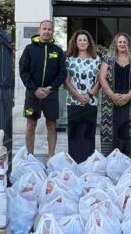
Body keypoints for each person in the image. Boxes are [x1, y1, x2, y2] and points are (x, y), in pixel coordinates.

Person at [19, 19, 66, 155]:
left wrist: (50, 88)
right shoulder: (29, 49)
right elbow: (23, 70)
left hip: (51, 94)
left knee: (51, 125)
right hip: (32, 94)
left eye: (49, 29)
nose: (46, 31)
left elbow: (62, 73)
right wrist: (35, 89)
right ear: (39, 31)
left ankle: (51, 156)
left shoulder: (57, 51)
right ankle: (30, 156)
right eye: (44, 29)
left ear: (52, 32)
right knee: (30, 125)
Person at [99, 32, 131, 157]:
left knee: (128, 126)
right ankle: (111, 155)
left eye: (124, 42)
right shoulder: (108, 59)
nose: (122, 44)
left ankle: (128, 154)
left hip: (130, 99)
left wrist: (129, 95)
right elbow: (102, 78)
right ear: (115, 44)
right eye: (120, 42)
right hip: (110, 100)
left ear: (128, 43)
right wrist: (112, 95)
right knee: (112, 126)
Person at [63, 30, 101, 162]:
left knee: (88, 134)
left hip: (91, 101)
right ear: (75, 42)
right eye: (80, 40)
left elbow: (99, 81)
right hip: (73, 101)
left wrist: (89, 95)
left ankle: (88, 162)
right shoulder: (69, 60)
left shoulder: (97, 60)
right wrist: (79, 96)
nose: (83, 42)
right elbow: (66, 82)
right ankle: (74, 162)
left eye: (85, 40)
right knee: (74, 134)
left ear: (89, 42)